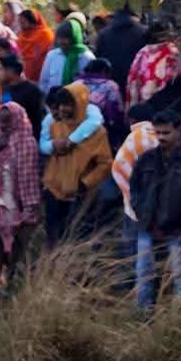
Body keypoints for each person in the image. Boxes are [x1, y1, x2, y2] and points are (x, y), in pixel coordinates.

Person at [129, 112, 181, 312]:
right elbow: (135, 188)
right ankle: (143, 317)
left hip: (179, 227)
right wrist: (141, 210)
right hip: (148, 225)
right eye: (158, 133)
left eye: (166, 132)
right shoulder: (147, 159)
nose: (162, 137)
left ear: (178, 131)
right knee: (144, 273)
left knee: (180, 274)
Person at [0, 102, 44, 296]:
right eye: (1, 121)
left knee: (20, 243)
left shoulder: (28, 142)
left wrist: (30, 206)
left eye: (8, 121)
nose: (4, 125)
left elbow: (30, 176)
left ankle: (12, 283)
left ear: (17, 119)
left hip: (24, 202)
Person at [39, 85, 111, 245]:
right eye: (61, 104)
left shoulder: (97, 132)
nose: (63, 109)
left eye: (68, 104)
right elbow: (45, 150)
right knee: (53, 241)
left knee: (76, 241)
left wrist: (85, 183)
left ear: (80, 104)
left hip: (81, 196)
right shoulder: (54, 125)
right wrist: (53, 146)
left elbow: (105, 164)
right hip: (54, 191)